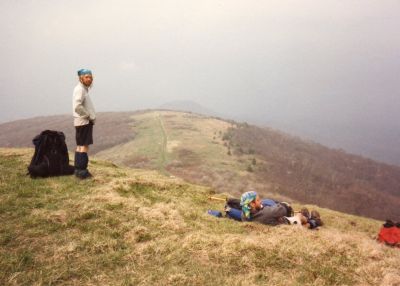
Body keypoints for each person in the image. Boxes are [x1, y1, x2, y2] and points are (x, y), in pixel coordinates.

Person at [72, 69, 96, 179]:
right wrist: (88, 115)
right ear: (81, 78)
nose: (89, 79)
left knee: (80, 145)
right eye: (87, 77)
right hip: (84, 121)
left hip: (80, 121)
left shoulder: (82, 89)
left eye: (90, 77)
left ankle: (78, 169)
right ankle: (82, 171)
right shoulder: (80, 89)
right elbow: (77, 106)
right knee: (84, 146)